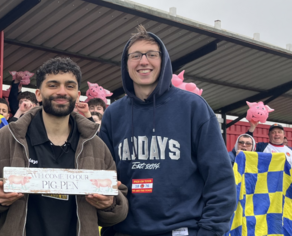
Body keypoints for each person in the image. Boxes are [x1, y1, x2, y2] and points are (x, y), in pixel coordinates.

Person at [99, 25, 235, 236]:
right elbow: (104, 178)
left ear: (164, 61)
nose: (143, 61)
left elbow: (220, 179)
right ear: (126, 64)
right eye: (135, 55)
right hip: (126, 231)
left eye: (152, 54)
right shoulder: (113, 114)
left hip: (180, 229)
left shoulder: (194, 108)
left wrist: (210, 231)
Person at [0, 57, 128, 236]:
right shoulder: (6, 138)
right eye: (53, 85)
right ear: (38, 94)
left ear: (77, 94)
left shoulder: (96, 146)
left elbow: (118, 206)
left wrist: (110, 203)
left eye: (70, 86)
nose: (62, 92)